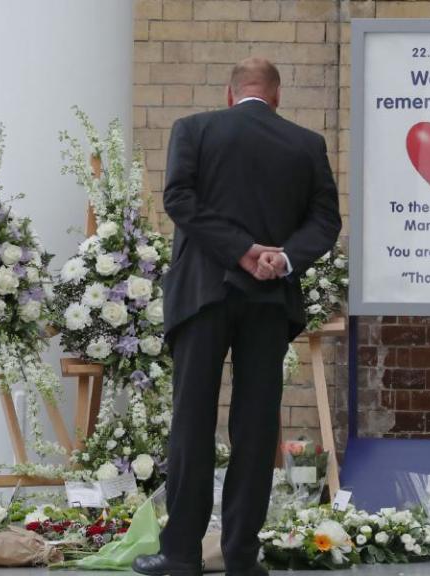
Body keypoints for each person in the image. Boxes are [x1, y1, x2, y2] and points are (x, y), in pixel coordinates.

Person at [133, 58, 342, 576]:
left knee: (192, 421)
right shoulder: (306, 143)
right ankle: (242, 557)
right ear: (276, 98)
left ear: (230, 94)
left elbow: (178, 198)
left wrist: (239, 249)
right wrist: (281, 257)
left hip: (204, 293)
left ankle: (181, 553)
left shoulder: (194, 130)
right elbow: (325, 220)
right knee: (255, 426)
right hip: (269, 301)